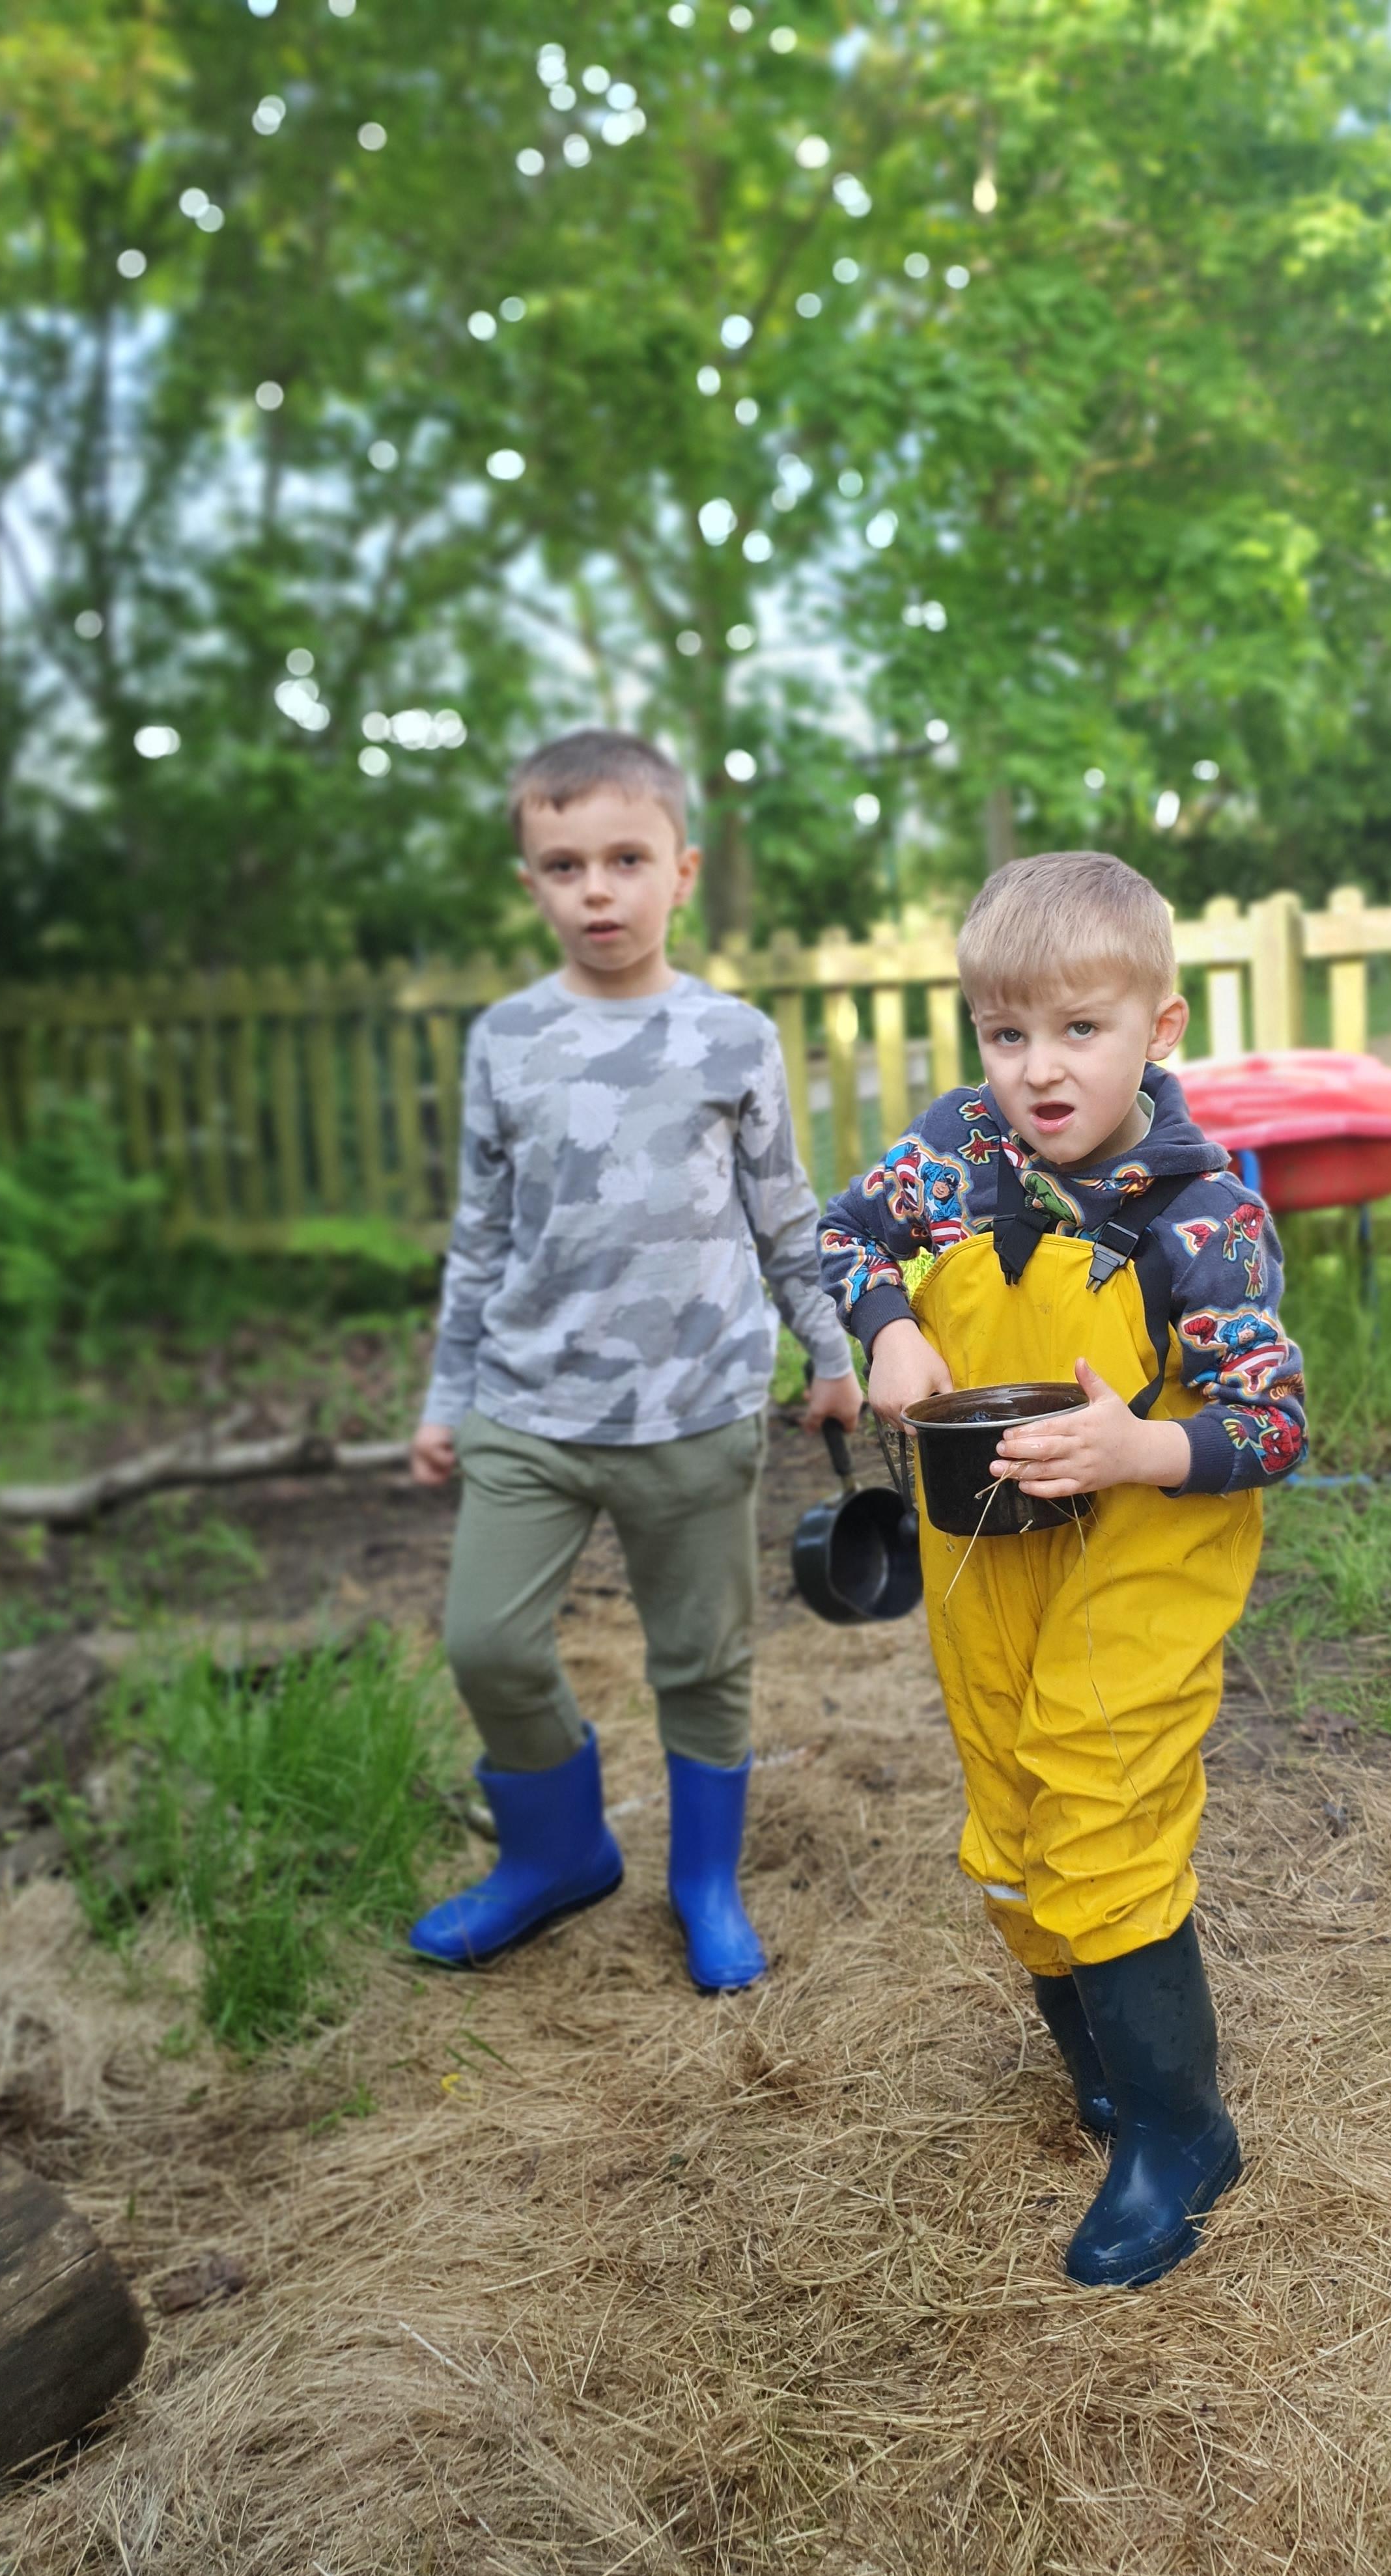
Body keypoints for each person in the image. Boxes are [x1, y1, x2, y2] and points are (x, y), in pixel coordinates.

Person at [818, 852, 1306, 2286]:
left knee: (1097, 1798)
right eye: (1006, 1031)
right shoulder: (956, 1153)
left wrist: (1140, 1448)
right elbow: (842, 1233)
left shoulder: (1202, 1219)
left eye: (1080, 1030)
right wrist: (887, 1326)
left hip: (1145, 1545)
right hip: (985, 1537)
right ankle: (1105, 2065)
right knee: (1012, 1806)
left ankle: (1180, 2132)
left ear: (1159, 1028)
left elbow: (1272, 1422)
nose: (1039, 1068)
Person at [409, 728, 862, 1986]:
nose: (596, 891)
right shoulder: (507, 1039)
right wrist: (447, 1397)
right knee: (487, 1645)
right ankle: (556, 1855)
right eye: (565, 867)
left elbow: (784, 1216)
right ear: (532, 885)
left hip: (695, 1409)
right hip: (529, 1408)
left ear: (682, 871)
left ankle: (704, 1882)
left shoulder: (731, 1037)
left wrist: (830, 1354)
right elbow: (480, 1232)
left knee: (701, 1659)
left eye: (626, 860)